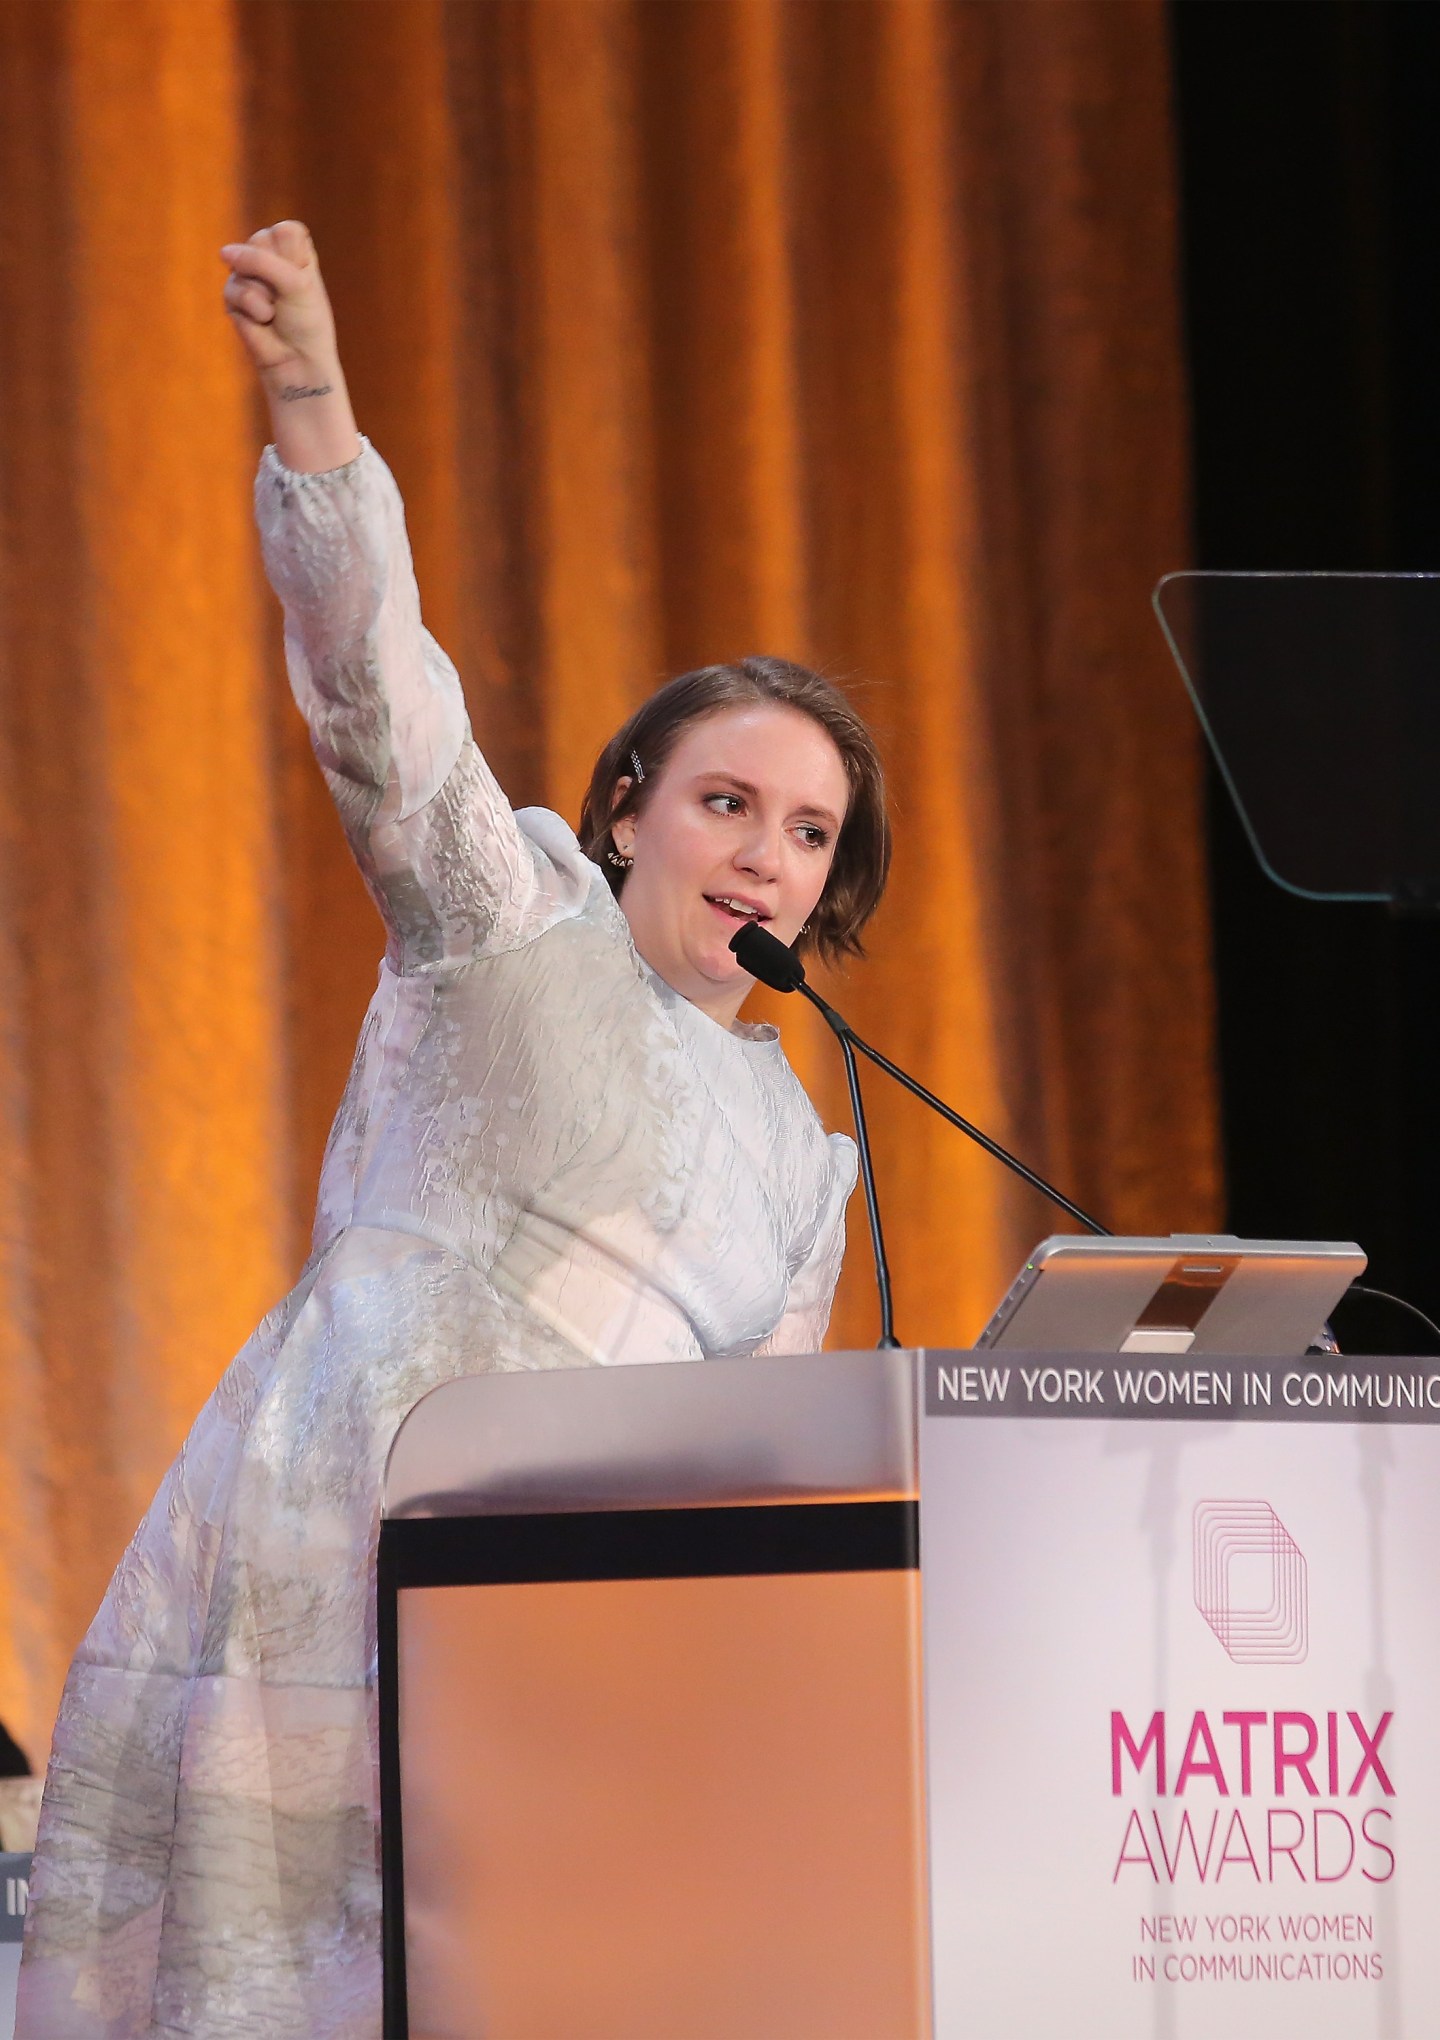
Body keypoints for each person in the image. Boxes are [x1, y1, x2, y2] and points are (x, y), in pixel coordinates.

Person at [17, 222, 890, 2038]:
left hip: (596, 1638)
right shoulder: (518, 918)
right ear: (635, 807)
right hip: (346, 1548)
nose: (764, 855)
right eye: (729, 801)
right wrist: (315, 400)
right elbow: (380, 702)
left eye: (807, 834)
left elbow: (769, 1450)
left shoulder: (808, 1152)